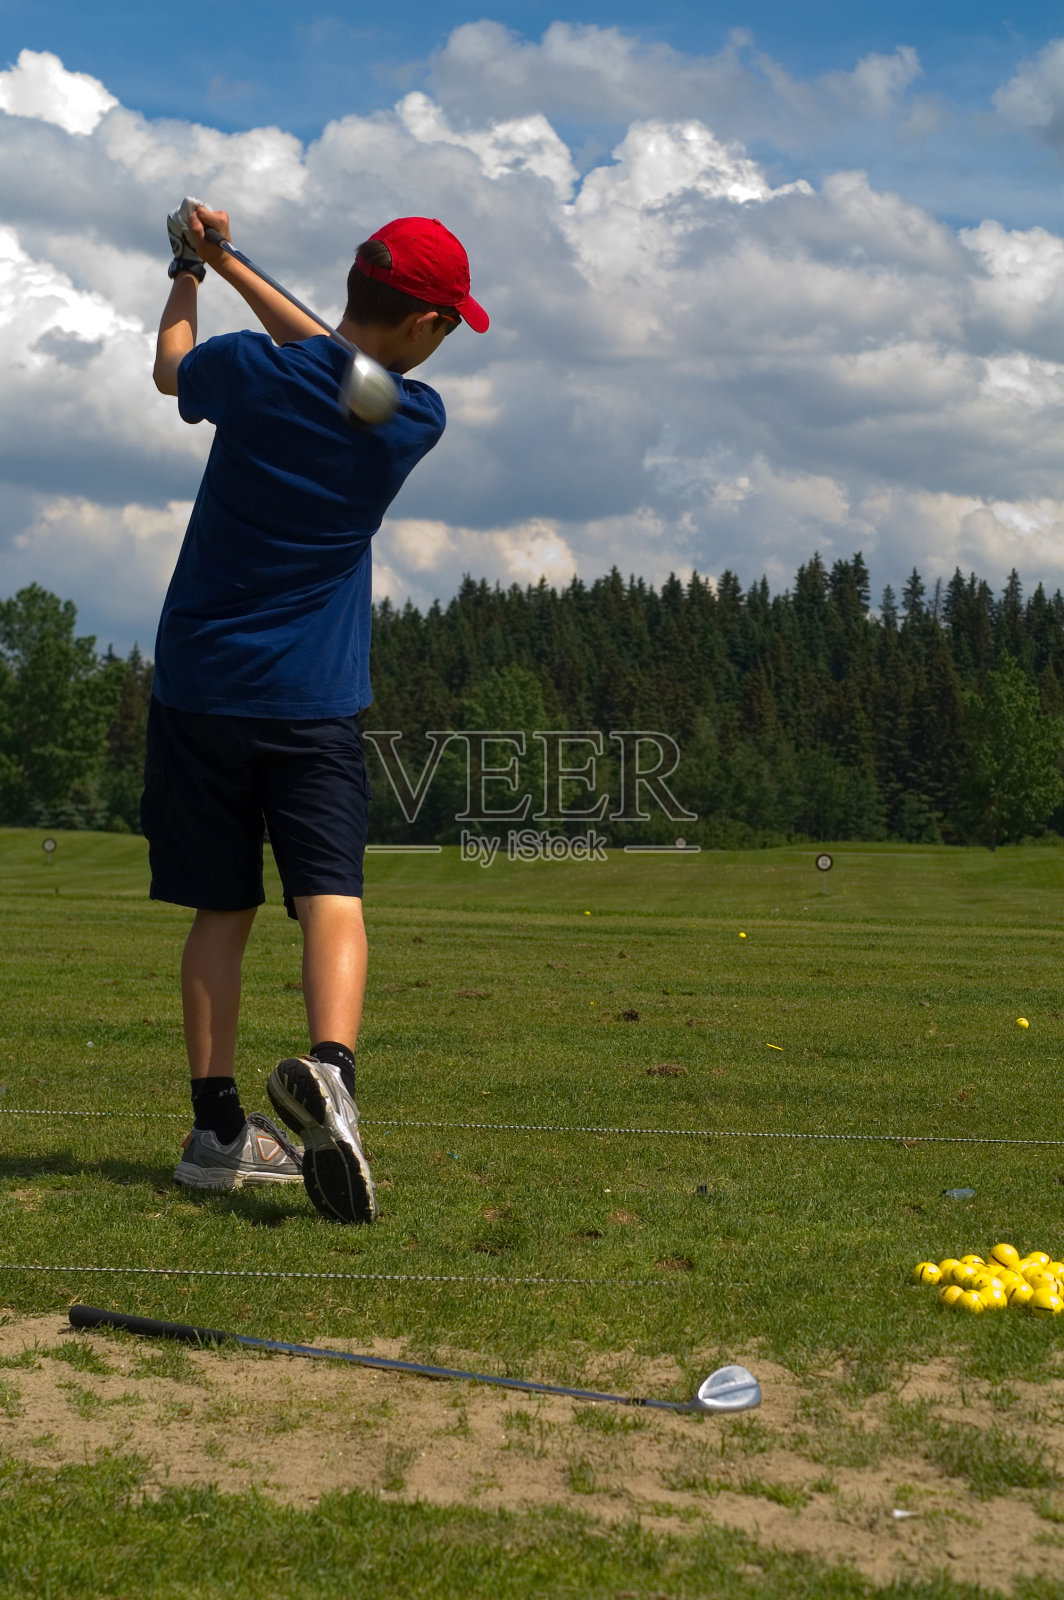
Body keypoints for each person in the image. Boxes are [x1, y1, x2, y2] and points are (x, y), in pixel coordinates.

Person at [145, 199, 488, 1224]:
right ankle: (330, 1070)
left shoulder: (250, 372)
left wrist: (194, 272)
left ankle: (216, 1131)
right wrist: (235, 261)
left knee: (222, 908)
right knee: (330, 895)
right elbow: (346, 370)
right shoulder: (409, 419)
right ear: (425, 327)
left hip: (199, 684)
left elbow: (172, 368)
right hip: (311, 699)